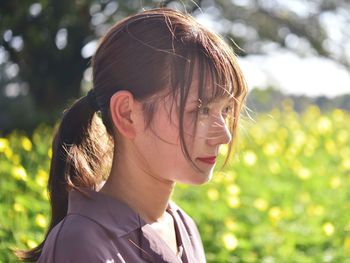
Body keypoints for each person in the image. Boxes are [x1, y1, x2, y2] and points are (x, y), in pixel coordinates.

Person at [16, 8, 247, 263]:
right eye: (200, 110)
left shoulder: (183, 225)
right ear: (127, 114)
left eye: (225, 110)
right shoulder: (81, 244)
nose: (223, 135)